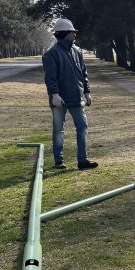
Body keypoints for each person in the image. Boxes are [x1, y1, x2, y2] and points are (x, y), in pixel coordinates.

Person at [42, 18, 98, 170]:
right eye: (72, 32)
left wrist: (87, 92)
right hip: (59, 99)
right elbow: (50, 77)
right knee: (58, 130)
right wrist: (54, 94)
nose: (74, 35)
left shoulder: (77, 51)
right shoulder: (51, 54)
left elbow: (83, 74)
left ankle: (83, 160)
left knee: (82, 126)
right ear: (64, 33)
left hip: (76, 97)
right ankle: (59, 161)